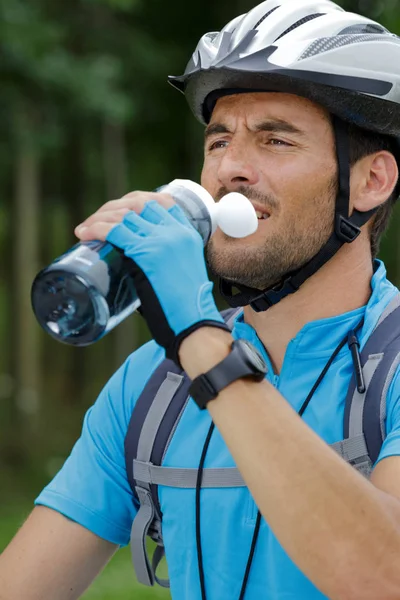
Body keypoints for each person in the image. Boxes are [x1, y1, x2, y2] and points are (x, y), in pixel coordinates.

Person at [2, 0, 400, 598]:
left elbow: (383, 575)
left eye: (275, 140)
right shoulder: (152, 386)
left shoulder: (386, 368)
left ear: (370, 181)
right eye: (219, 142)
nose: (231, 168)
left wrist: (201, 341)